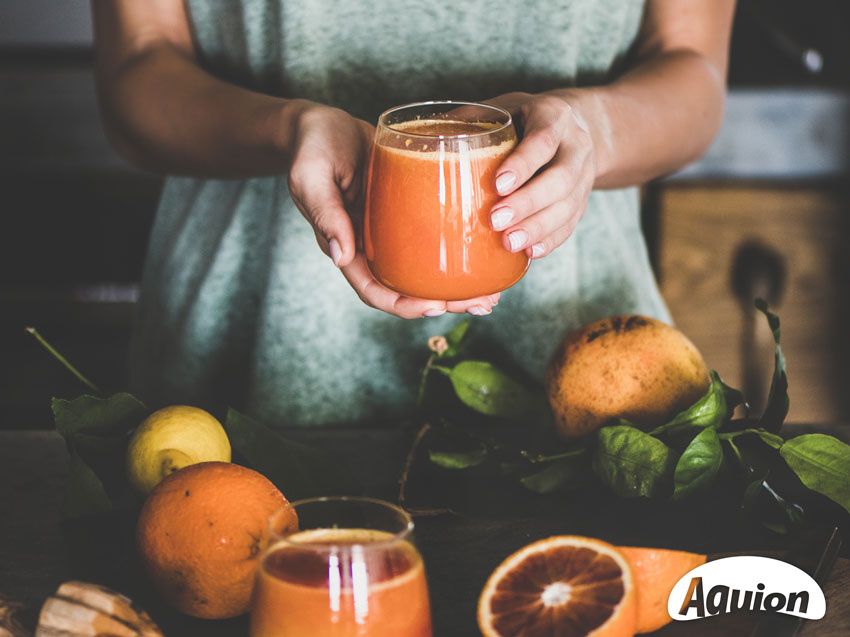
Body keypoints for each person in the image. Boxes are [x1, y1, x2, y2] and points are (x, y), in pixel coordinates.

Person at [91, 0, 735, 426]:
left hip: (584, 355)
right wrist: (284, 128)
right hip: (245, 329)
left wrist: (592, 128)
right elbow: (137, 69)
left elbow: (693, 69)